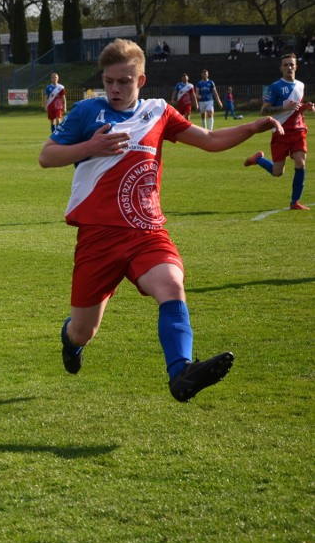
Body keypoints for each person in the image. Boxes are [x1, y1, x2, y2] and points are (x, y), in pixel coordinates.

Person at [38, 38, 282, 402]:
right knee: (84, 331)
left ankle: (181, 371)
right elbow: (47, 156)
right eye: (109, 81)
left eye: (124, 81)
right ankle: (71, 342)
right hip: (98, 237)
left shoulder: (159, 111)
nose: (115, 89)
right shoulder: (88, 112)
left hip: (146, 231)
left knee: (171, 285)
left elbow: (210, 139)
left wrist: (254, 127)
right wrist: (91, 147)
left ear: (141, 79)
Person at [244, 53, 315, 211]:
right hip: (281, 131)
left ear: (296, 66)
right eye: (285, 65)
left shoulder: (301, 85)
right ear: (281, 68)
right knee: (277, 172)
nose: (289, 67)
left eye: (291, 64)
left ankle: (294, 202)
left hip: (298, 130)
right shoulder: (275, 87)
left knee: (300, 162)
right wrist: (283, 107)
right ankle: (259, 159)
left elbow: (296, 108)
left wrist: (307, 107)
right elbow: (264, 110)